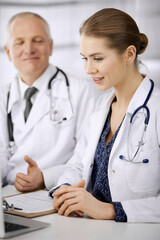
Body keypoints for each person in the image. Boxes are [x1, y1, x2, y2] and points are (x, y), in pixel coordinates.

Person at [51, 8, 160, 223]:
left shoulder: (156, 111)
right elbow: (78, 165)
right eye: (85, 58)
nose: (89, 69)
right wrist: (64, 191)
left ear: (129, 54)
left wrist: (111, 210)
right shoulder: (101, 108)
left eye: (97, 58)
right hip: (89, 228)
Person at [0, 12, 95, 191]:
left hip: (58, 191)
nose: (29, 49)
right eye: (19, 42)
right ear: (8, 52)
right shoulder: (2, 95)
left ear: (50, 46)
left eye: (37, 40)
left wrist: (46, 177)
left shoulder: (80, 90)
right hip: (9, 195)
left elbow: (88, 158)